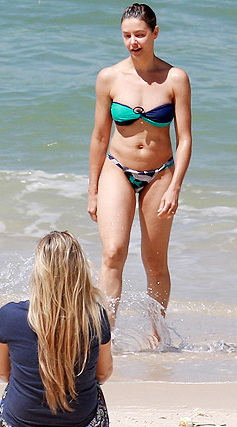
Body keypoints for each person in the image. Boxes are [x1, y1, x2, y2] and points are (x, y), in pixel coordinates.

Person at [87, 3, 192, 335]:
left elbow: (185, 139)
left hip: (160, 173)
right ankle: (106, 338)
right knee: (113, 253)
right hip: (117, 169)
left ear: (155, 33)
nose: (133, 42)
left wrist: (175, 185)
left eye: (140, 35)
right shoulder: (109, 77)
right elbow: (100, 136)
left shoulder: (175, 78)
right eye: (127, 36)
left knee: (155, 263)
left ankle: (155, 337)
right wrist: (92, 190)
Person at [0, 231, 113, 427]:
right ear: (80, 270)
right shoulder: (95, 316)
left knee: (16, 384)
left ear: (38, 271)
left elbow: (3, 373)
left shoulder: (9, 316)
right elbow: (103, 374)